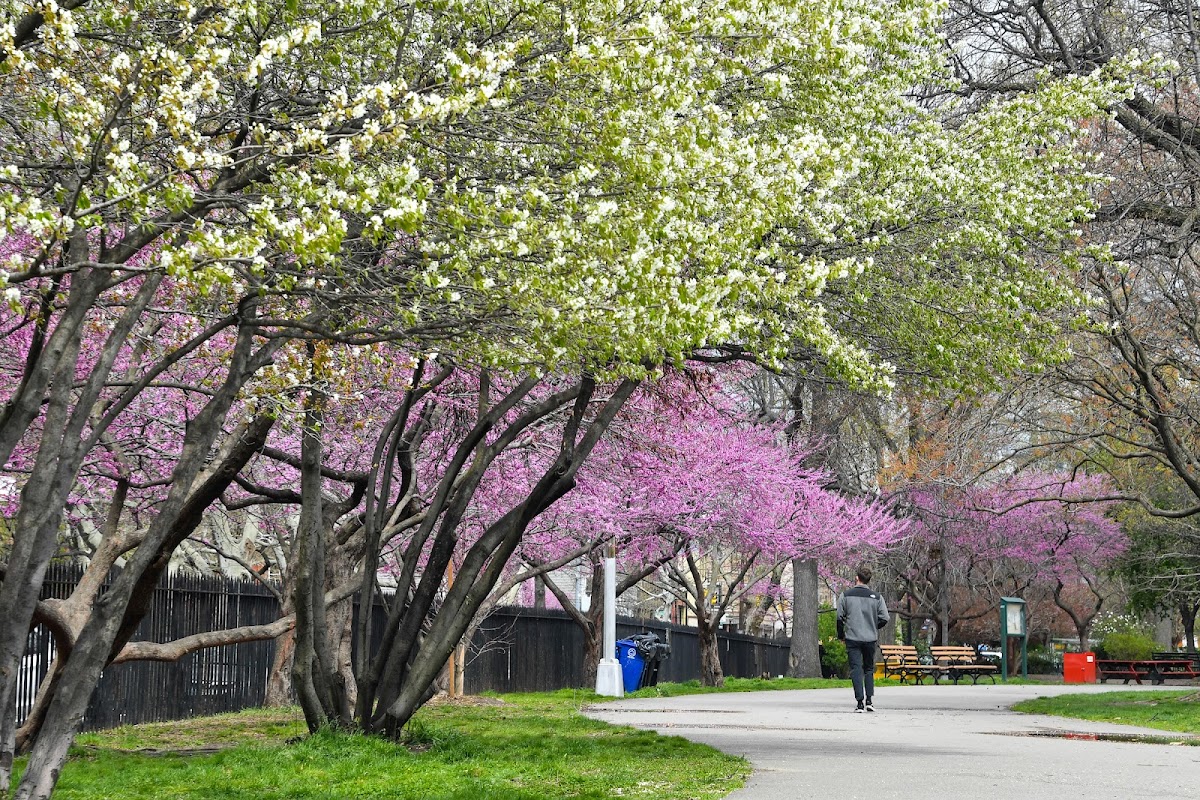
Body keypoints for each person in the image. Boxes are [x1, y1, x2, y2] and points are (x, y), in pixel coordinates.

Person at [836, 565, 889, 713]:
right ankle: (869, 701)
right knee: (869, 669)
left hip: (852, 637)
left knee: (856, 669)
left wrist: (841, 635)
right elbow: (885, 618)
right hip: (870, 637)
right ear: (868, 580)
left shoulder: (845, 595)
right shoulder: (877, 597)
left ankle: (859, 702)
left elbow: (839, 618)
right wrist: (873, 626)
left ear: (857, 578)